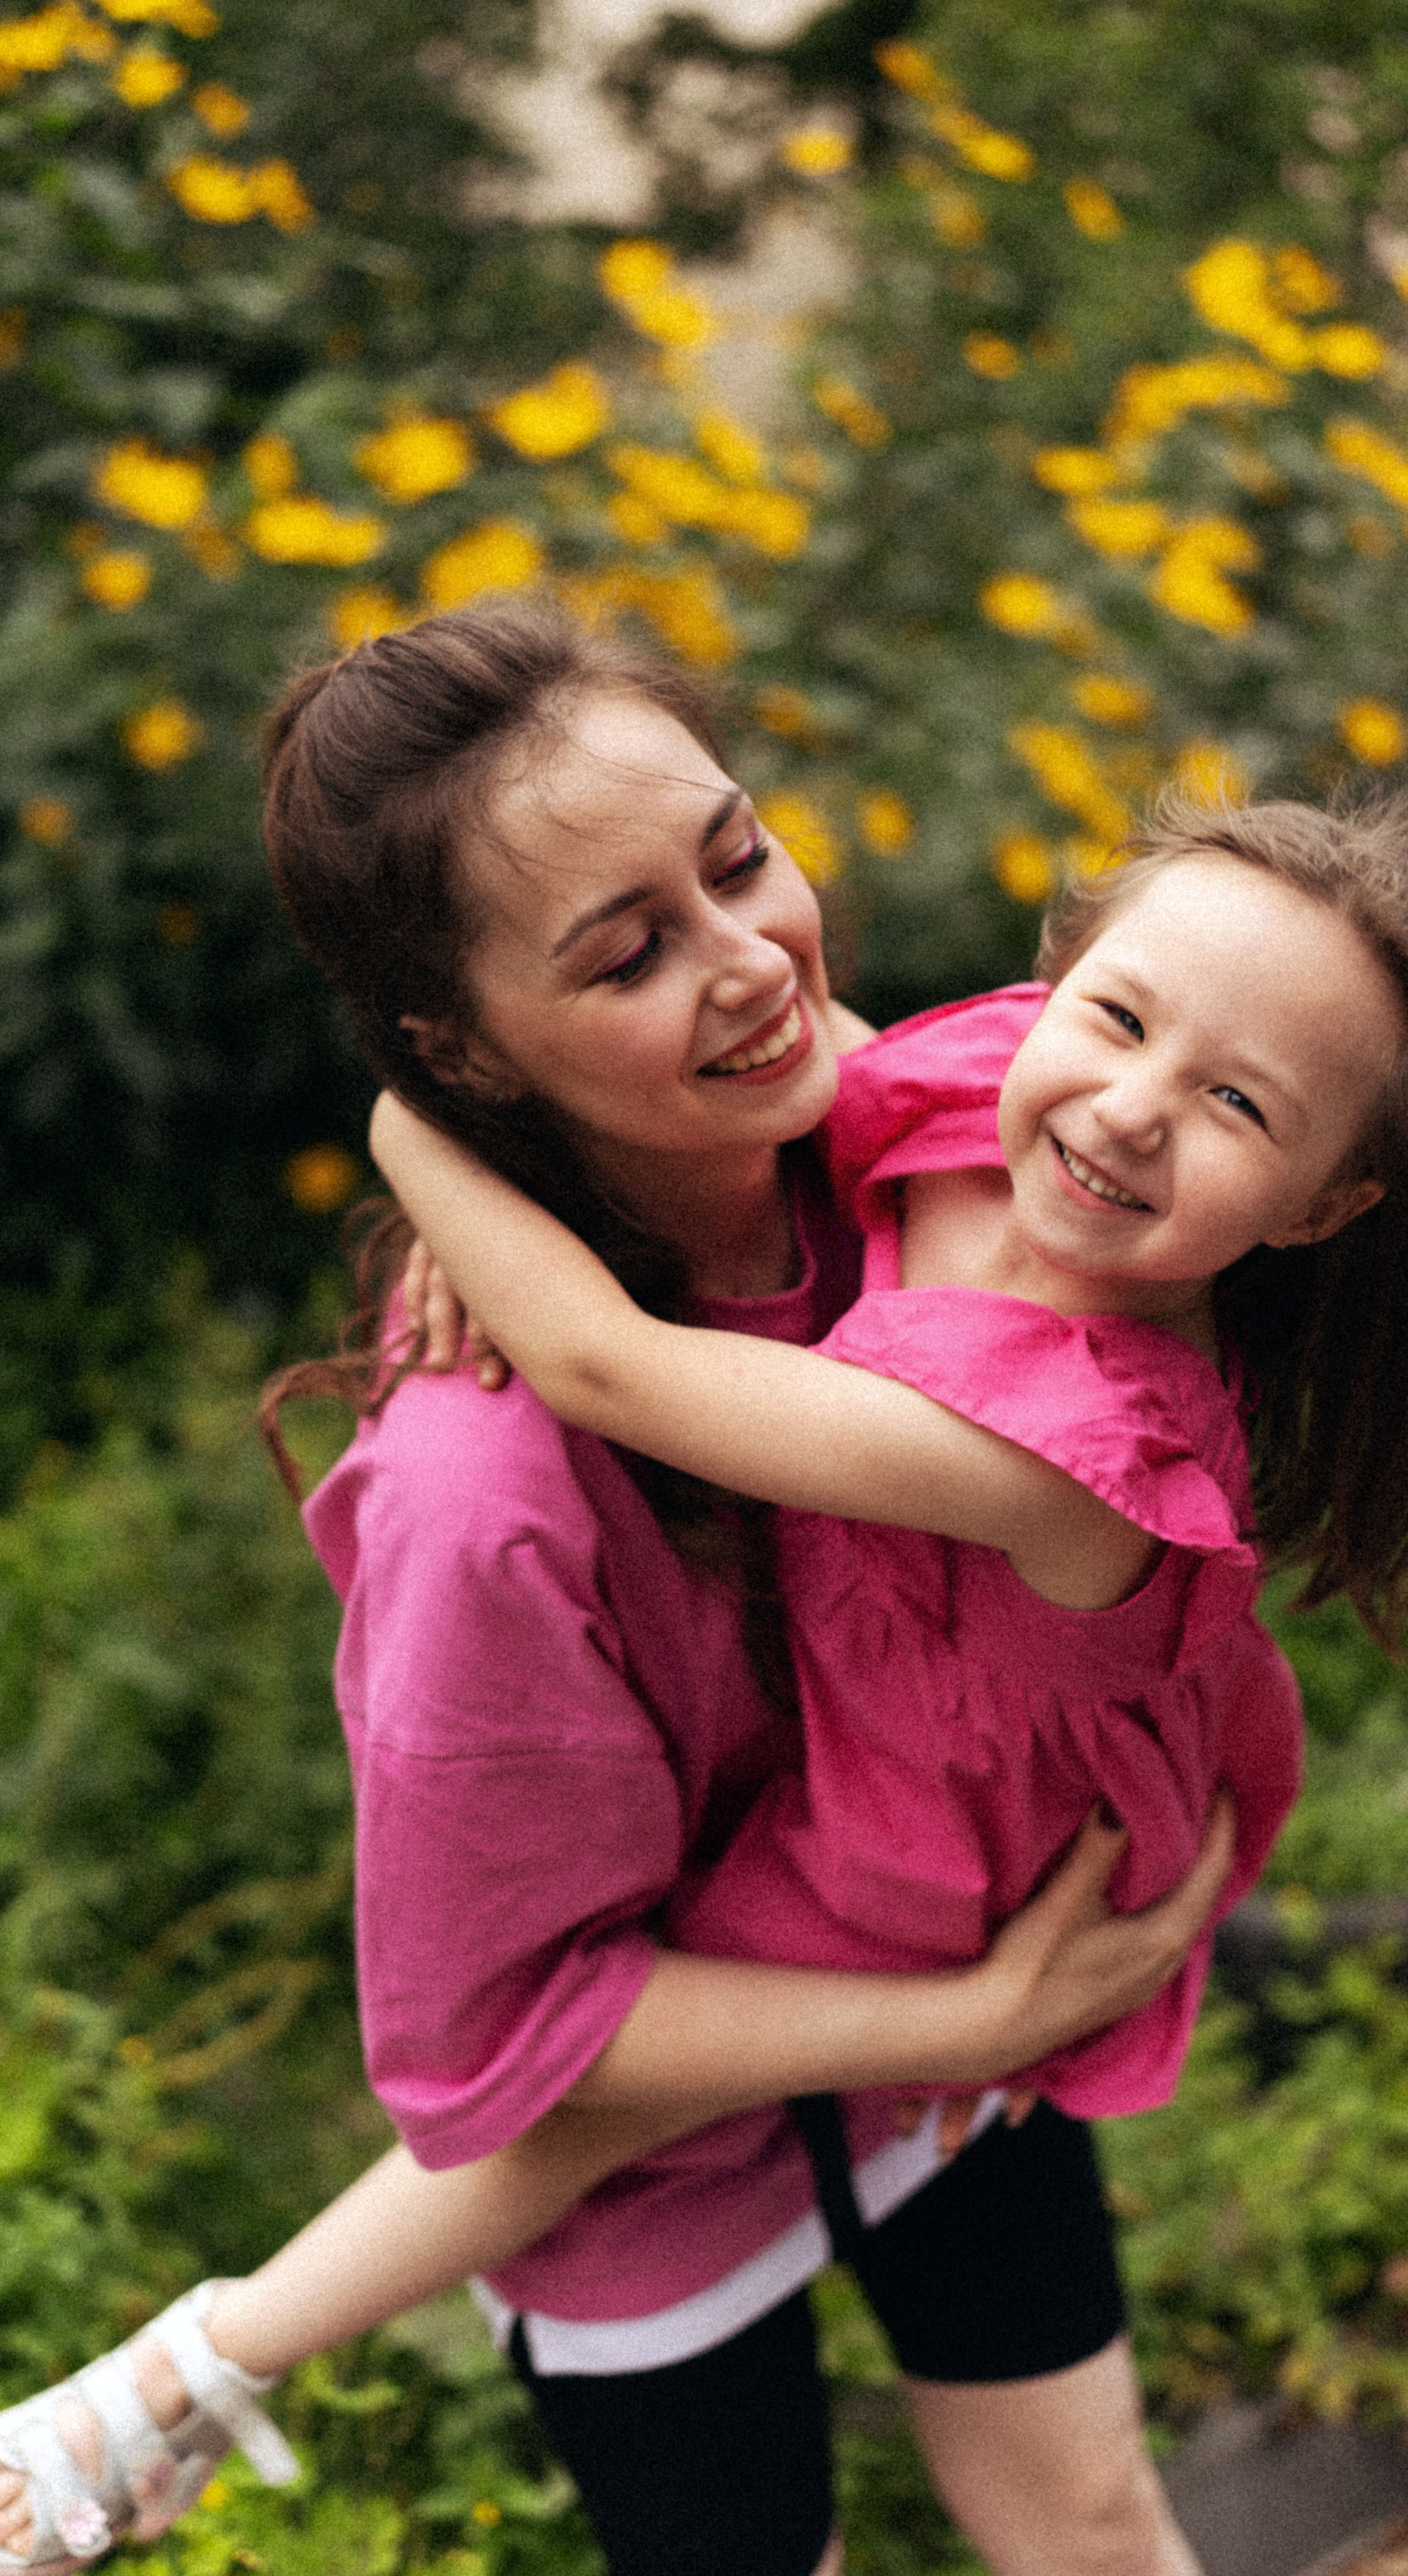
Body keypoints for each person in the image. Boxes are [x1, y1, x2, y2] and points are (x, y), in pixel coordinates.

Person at [0, 602, 1269, 2576]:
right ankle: (173, 2386)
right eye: (629, 952)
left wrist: (424, 1144)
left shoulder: (927, 1181)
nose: (752, 958)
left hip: (956, 1990)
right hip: (662, 2151)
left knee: (1093, 2508)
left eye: (741, 856)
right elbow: (503, 2057)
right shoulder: (480, 1497)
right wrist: (962, 2015)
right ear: (466, 1041)